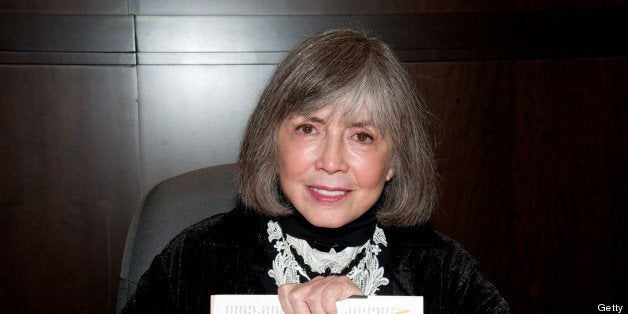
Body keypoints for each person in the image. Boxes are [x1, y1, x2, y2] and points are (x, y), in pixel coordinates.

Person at [122, 28, 509, 313]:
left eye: (361, 136)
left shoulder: (444, 271)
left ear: (394, 161)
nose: (330, 161)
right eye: (309, 129)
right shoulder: (197, 258)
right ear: (272, 142)